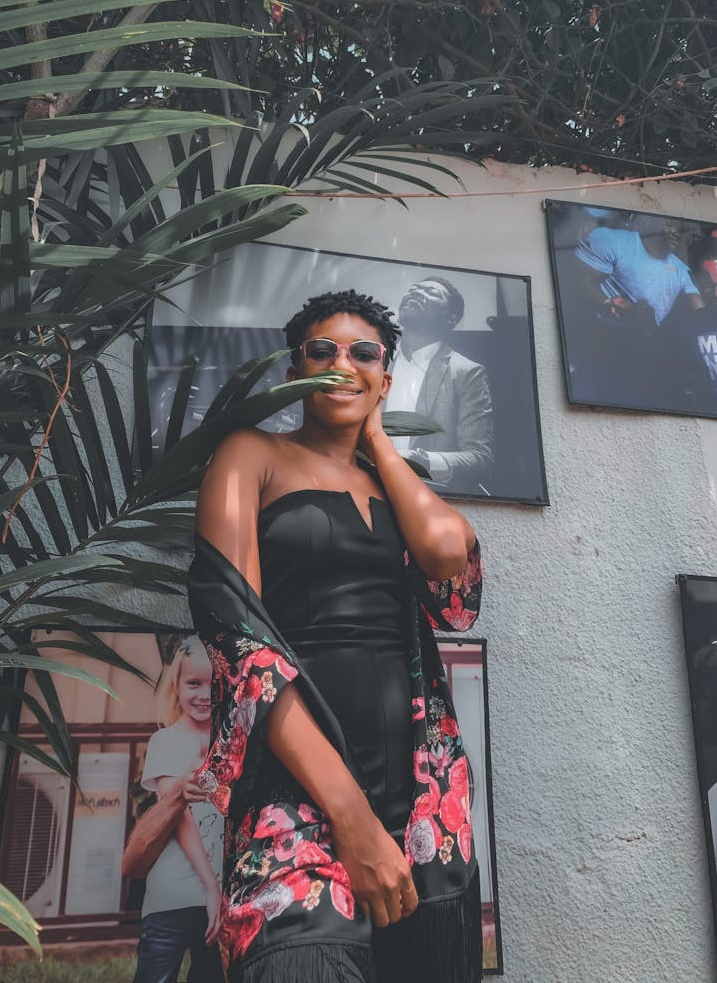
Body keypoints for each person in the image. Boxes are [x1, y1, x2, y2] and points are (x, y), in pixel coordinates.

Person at [188, 289, 484, 983]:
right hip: (299, 781)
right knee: (301, 961)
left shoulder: (396, 481)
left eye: (364, 354)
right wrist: (350, 818)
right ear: (297, 371)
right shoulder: (251, 453)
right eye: (322, 351)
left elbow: (448, 560)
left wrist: (378, 439)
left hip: (421, 784)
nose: (341, 365)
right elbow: (238, 636)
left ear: (386, 374)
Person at [130, 637, 226, 983]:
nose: (204, 694)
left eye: (213, 684)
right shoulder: (166, 740)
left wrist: (220, 892)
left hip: (220, 899)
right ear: (177, 687)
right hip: (172, 896)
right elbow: (179, 816)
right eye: (194, 684)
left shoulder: (229, 743)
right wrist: (210, 887)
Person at [572, 214, 704, 406]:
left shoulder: (679, 269)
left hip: (641, 355)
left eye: (680, 226)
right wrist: (614, 303)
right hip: (600, 343)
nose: (677, 231)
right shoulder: (613, 241)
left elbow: (702, 312)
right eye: (670, 223)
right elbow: (578, 283)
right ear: (648, 221)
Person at [385, 275, 493, 494]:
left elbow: (480, 458)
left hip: (425, 497)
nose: (416, 292)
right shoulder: (373, 362)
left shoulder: (466, 372)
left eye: (432, 293)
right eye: (414, 288)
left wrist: (420, 460)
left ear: (451, 318)